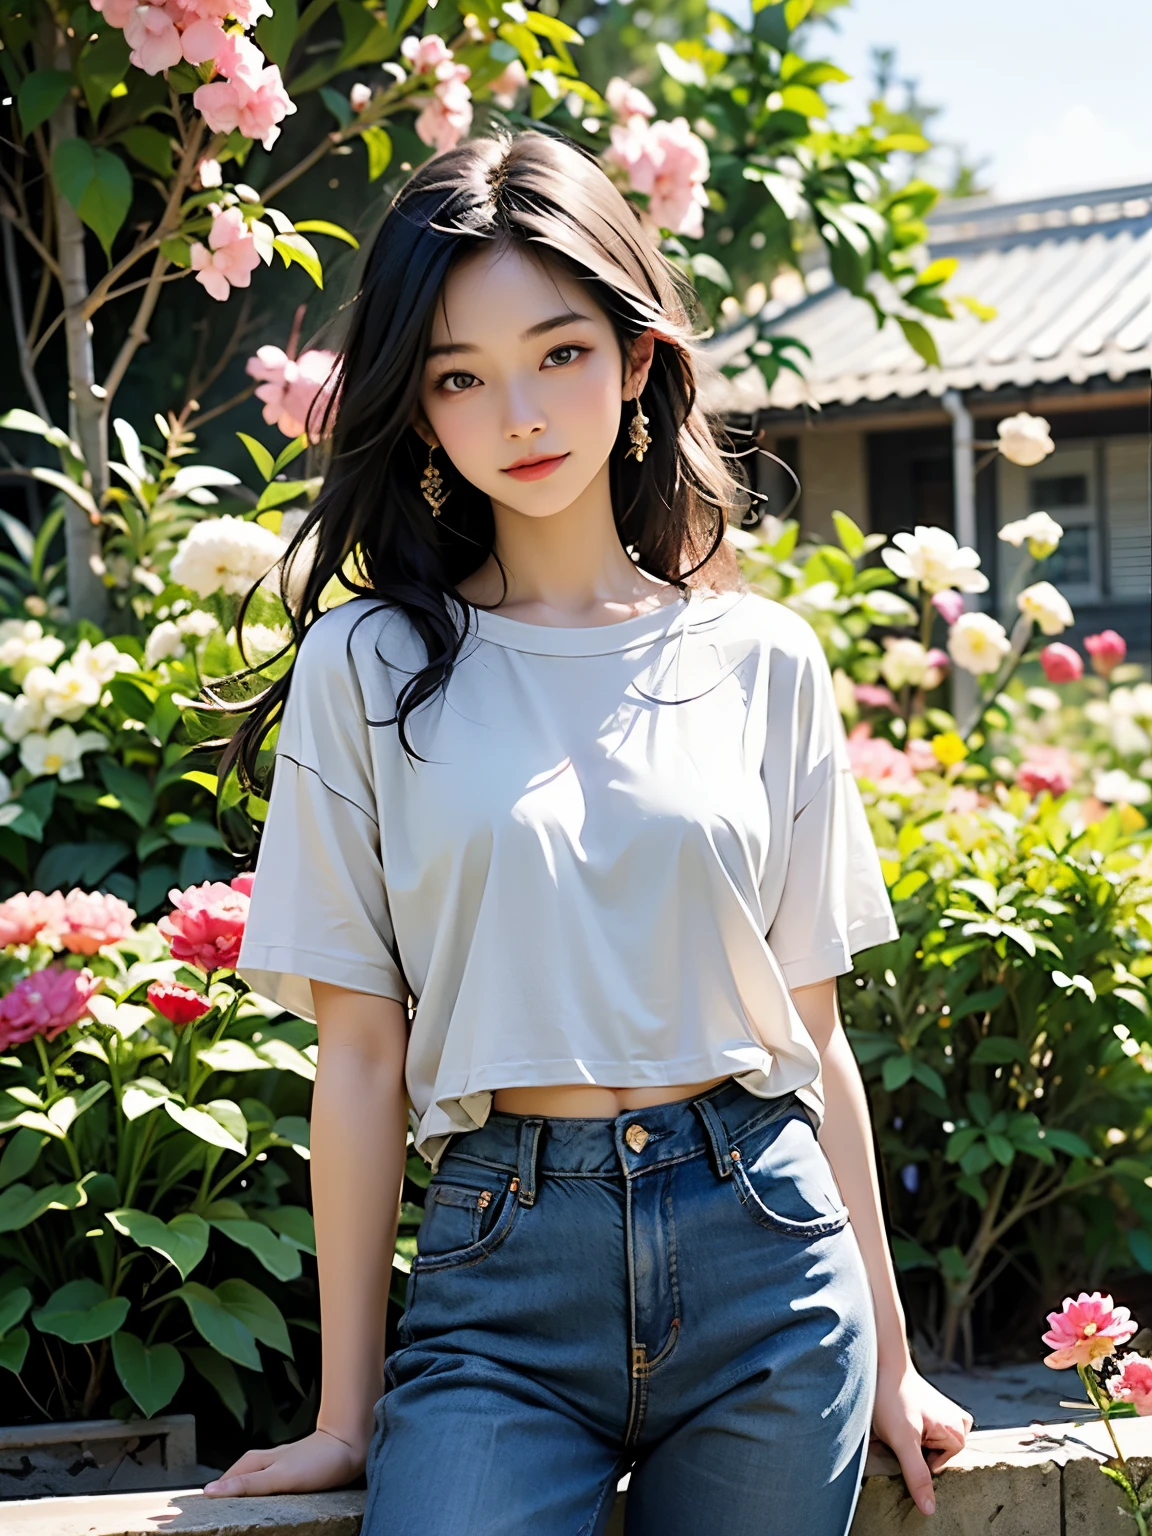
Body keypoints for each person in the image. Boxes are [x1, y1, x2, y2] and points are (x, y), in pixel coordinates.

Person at [201, 128, 972, 1532]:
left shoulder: (766, 657)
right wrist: (343, 1418)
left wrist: (898, 1360)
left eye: (559, 351)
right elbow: (359, 1055)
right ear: (418, 408)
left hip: (770, 1269)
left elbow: (817, 1037)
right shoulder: (368, 665)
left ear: (636, 358)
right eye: (460, 375)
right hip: (500, 1280)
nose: (521, 412)